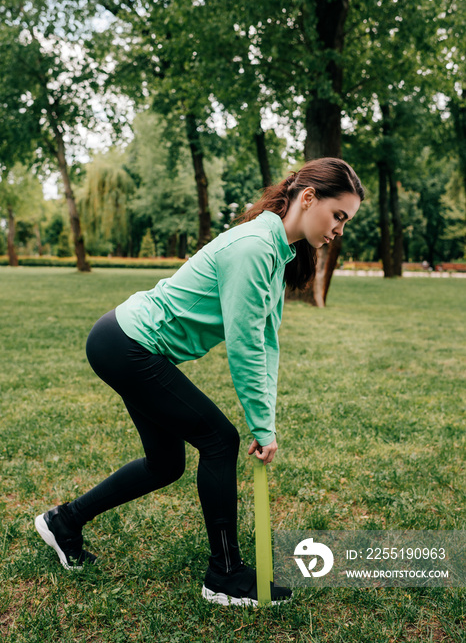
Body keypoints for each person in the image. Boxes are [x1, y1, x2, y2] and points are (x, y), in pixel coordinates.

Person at [35, 157, 363, 606]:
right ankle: (224, 575)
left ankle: (64, 522)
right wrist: (259, 428)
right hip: (129, 344)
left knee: (165, 464)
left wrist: (266, 420)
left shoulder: (275, 249)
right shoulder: (254, 248)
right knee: (219, 440)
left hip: (128, 342)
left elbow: (266, 342)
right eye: (338, 215)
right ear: (308, 199)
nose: (339, 228)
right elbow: (244, 347)